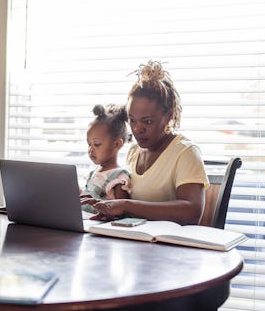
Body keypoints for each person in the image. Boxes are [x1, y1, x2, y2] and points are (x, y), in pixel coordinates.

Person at [82, 60, 208, 225]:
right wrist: (104, 205)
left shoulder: (186, 152)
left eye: (147, 122)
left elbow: (192, 212)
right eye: (132, 120)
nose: (137, 129)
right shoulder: (134, 152)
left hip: (168, 245)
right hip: (136, 241)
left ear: (169, 115)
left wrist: (127, 206)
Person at [81, 104, 131, 214]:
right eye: (89, 144)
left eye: (97, 144)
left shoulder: (119, 177)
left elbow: (121, 210)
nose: (90, 150)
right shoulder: (93, 173)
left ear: (117, 144)